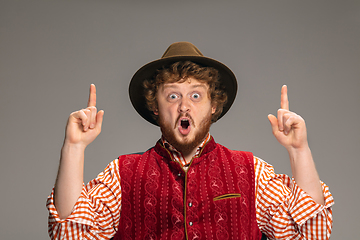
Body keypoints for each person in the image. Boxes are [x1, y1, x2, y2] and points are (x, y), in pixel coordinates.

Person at [46, 42, 334, 240]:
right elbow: (71, 232)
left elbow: (310, 232)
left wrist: (299, 150)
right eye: (173, 96)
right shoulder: (123, 174)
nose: (184, 106)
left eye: (195, 95)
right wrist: (74, 148)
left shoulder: (252, 171)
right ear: (155, 107)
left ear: (213, 106)